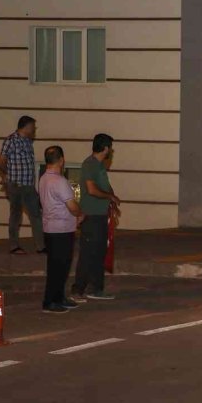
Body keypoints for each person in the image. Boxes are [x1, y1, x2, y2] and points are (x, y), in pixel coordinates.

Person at [71, 133, 120, 302]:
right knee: (88, 253)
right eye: (110, 147)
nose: (111, 151)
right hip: (91, 216)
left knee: (99, 253)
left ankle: (96, 288)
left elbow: (104, 185)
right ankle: (78, 289)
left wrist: (111, 197)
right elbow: (91, 189)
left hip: (100, 215)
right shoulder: (90, 164)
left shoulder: (99, 166)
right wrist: (109, 196)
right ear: (105, 148)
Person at [37, 146, 83, 314]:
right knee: (59, 267)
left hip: (50, 228)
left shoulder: (43, 179)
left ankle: (59, 297)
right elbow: (71, 205)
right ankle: (50, 301)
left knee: (58, 265)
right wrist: (80, 213)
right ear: (61, 160)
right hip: (61, 229)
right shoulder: (59, 181)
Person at [0, 115, 45, 254]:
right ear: (26, 126)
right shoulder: (11, 141)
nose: (34, 130)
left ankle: (41, 246)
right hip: (16, 184)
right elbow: (1, 160)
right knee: (16, 214)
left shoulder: (28, 142)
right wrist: (4, 175)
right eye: (33, 127)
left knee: (36, 214)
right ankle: (14, 245)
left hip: (28, 185)